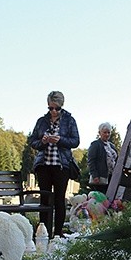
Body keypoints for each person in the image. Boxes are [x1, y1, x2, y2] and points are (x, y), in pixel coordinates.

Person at [28, 91, 80, 236]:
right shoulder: (41, 121)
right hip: (43, 165)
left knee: (59, 199)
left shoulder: (69, 120)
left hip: (61, 165)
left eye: (57, 108)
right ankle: (43, 232)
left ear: (61, 106)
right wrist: (43, 141)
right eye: (50, 108)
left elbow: (75, 141)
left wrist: (60, 140)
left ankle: (58, 232)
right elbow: (32, 141)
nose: (54, 111)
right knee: (45, 199)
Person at [87, 122, 118, 193]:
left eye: (108, 132)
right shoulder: (95, 144)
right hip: (100, 178)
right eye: (104, 132)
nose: (107, 134)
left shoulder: (112, 146)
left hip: (111, 176)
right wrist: (94, 175)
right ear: (100, 133)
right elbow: (91, 161)